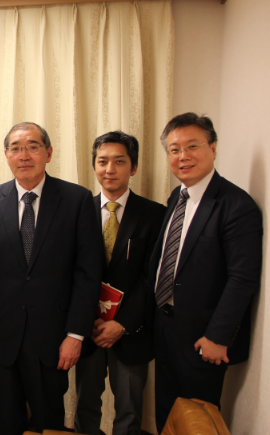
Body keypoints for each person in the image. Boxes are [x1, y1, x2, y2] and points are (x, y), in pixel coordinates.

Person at [0, 122, 102, 434]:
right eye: (15, 147)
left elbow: (88, 274)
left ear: (48, 153)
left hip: (53, 338)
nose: (23, 154)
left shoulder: (77, 200)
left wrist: (75, 335)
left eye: (33, 146)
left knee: (48, 422)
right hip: (0, 338)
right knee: (5, 423)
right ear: (6, 155)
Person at [150, 113, 263, 433]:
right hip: (165, 326)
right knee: (167, 415)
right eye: (174, 149)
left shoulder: (236, 205)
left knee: (198, 420)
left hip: (203, 338)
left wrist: (218, 336)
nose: (183, 156)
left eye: (192, 146)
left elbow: (242, 278)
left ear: (213, 148)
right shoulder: (177, 197)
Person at [74, 131, 166, 435]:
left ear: (134, 167)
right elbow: (68, 272)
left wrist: (121, 324)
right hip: (86, 329)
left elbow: (151, 278)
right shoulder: (78, 211)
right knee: (85, 406)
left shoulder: (155, 215)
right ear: (94, 165)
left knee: (129, 411)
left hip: (131, 331)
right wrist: (84, 320)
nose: (109, 169)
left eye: (119, 161)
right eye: (102, 161)